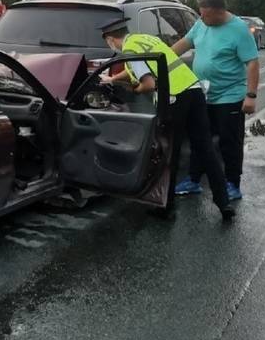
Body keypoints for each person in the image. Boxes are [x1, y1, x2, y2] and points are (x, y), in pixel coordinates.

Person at [98, 18, 234, 221]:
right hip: (194, 90)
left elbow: (149, 84)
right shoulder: (145, 39)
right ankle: (224, 204)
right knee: (205, 148)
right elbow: (141, 67)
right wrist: (113, 79)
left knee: (169, 152)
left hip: (174, 97)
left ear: (110, 40)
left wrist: (134, 89)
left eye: (107, 43)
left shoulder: (129, 51)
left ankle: (165, 207)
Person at [171, 0, 259, 201]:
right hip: (202, 93)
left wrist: (251, 95)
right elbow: (183, 43)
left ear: (221, 13)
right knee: (199, 138)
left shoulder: (238, 30)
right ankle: (193, 180)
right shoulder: (202, 24)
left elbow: (253, 63)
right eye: (201, 15)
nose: (203, 19)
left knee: (229, 141)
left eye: (207, 16)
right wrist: (160, 57)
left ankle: (232, 183)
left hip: (230, 95)